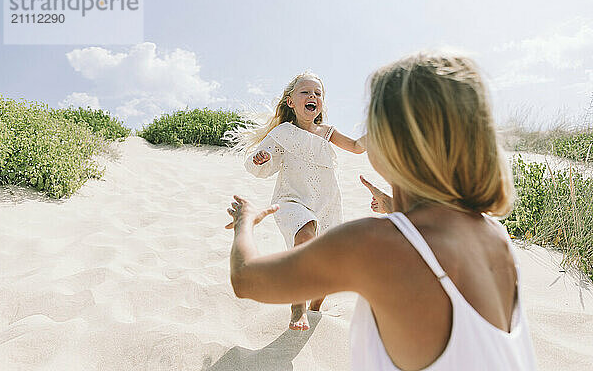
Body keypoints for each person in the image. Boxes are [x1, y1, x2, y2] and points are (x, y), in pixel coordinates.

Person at [225, 52, 537, 370]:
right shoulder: (495, 234)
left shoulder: (373, 242)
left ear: (392, 139)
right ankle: (302, 309)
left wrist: (244, 222)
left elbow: (245, 279)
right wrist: (392, 204)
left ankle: (309, 307)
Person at [229, 71, 366, 331]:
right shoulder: (283, 132)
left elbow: (358, 147)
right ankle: (297, 306)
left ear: (321, 103)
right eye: (305, 92)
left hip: (327, 204)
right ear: (291, 102)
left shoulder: (328, 132)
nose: (312, 96)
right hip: (291, 200)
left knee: (326, 265)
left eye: (317, 93)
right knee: (304, 237)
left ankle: (314, 309)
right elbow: (263, 162)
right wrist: (262, 158)